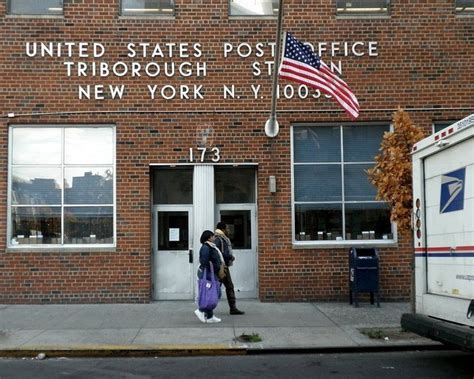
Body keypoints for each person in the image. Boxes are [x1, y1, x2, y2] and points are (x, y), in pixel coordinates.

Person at [214, 222, 245, 315]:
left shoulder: (222, 239)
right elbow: (217, 252)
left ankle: (232, 308)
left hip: (224, 267)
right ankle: (206, 307)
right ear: (223, 229)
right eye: (227, 228)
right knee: (221, 287)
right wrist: (229, 257)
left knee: (224, 286)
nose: (229, 230)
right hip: (221, 267)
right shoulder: (219, 239)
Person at [194, 230, 224, 324]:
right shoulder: (206, 247)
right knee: (209, 294)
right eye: (213, 236)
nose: (214, 238)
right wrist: (212, 266)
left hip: (211, 273)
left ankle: (210, 316)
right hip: (207, 274)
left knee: (213, 294)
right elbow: (204, 261)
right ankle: (200, 310)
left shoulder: (211, 246)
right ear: (208, 237)